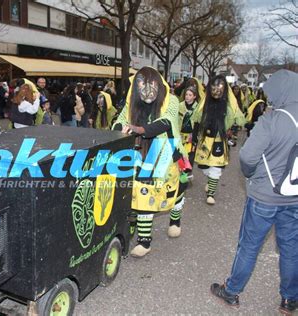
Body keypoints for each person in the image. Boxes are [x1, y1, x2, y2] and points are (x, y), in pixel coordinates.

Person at [210, 69, 298, 316]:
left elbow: (248, 156)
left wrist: (252, 175)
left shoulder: (272, 119)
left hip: (264, 195)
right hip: (294, 197)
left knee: (249, 245)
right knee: (291, 248)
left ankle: (231, 291)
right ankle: (290, 300)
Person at [112, 67, 186, 257]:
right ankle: (144, 241)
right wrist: (121, 127)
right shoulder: (131, 103)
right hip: (139, 153)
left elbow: (167, 121)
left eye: (152, 85)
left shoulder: (173, 100)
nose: (147, 90)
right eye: (142, 85)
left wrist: (139, 129)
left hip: (165, 153)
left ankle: (175, 219)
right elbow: (119, 120)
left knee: (176, 191)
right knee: (140, 192)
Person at [191, 75, 246, 205]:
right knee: (204, 166)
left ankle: (211, 193)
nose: (216, 91)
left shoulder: (228, 106)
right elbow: (197, 121)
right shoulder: (204, 104)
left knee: (216, 167)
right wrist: (194, 138)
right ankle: (210, 181)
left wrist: (231, 127)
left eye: (219, 88)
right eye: (213, 88)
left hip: (219, 141)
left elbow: (238, 119)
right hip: (205, 140)